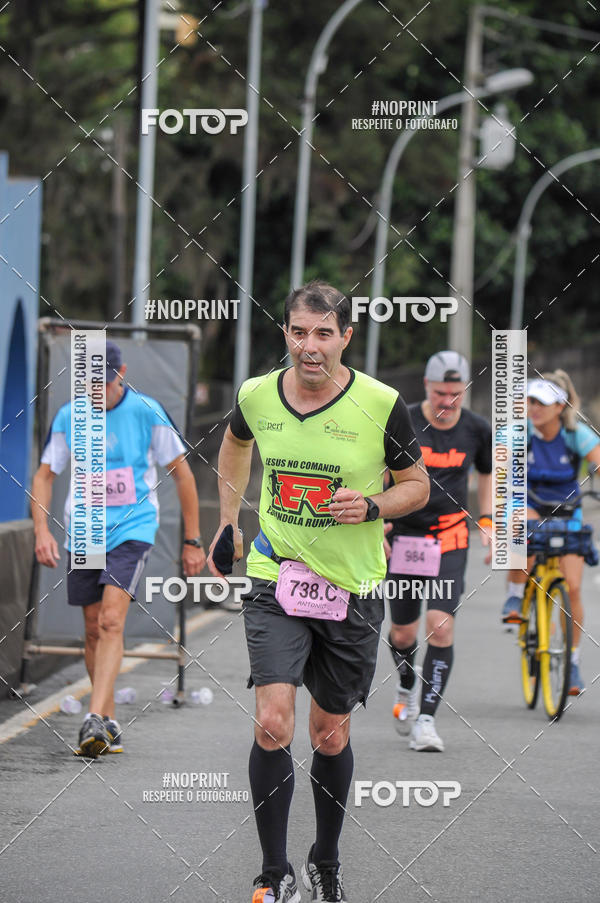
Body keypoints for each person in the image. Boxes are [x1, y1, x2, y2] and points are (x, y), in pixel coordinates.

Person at [207, 281, 429, 903]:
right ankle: (272, 873)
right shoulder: (256, 394)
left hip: (351, 587)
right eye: (300, 332)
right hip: (276, 577)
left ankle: (324, 860)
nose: (310, 347)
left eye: (324, 334)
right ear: (286, 333)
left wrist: (375, 504)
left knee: (329, 733)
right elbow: (234, 443)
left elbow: (419, 486)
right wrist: (228, 520)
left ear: (345, 338)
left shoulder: (382, 405)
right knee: (274, 723)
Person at [31, 340, 205, 757]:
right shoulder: (70, 416)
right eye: (89, 384)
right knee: (93, 627)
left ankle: (92, 717)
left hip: (133, 528)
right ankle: (106, 719)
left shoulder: (147, 412)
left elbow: (183, 477)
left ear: (121, 372)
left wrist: (193, 540)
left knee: (111, 620)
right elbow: (43, 476)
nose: (97, 391)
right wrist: (41, 530)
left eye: (104, 382)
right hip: (86, 531)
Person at [385, 351, 492, 752]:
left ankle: (426, 720)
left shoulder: (477, 429)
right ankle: (407, 684)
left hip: (449, 535)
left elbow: (486, 472)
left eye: (456, 393)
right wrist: (378, 519)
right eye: (441, 392)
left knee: (440, 625)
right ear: (427, 387)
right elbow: (378, 469)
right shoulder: (404, 421)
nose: (448, 401)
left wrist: (488, 520)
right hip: (405, 536)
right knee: (402, 631)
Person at [500, 370, 600, 695]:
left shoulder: (576, 435)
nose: (534, 407)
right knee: (525, 532)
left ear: (560, 406)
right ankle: (514, 597)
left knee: (572, 588)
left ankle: (571, 662)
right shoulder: (519, 433)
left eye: (541, 402)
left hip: (568, 507)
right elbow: (500, 467)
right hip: (527, 501)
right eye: (529, 401)